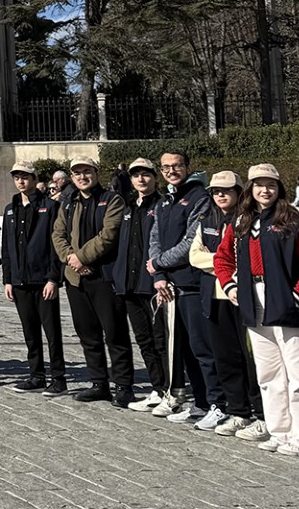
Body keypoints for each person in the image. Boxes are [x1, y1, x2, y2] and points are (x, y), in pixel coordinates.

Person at [215, 163, 299, 456]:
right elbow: (222, 258)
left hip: (287, 301)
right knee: (268, 374)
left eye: (271, 185)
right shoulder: (241, 222)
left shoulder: (295, 220)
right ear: (250, 189)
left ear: (280, 189)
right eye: (259, 184)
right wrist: (230, 286)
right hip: (253, 299)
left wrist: (298, 296)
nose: (265, 190)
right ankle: (280, 432)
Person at [52, 157, 134, 405]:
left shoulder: (112, 200)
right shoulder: (68, 202)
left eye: (86, 172)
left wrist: (82, 257)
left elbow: (109, 235)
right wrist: (70, 258)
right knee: (88, 334)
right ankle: (99, 382)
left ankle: (123, 385)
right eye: (77, 173)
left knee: (115, 333)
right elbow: (58, 233)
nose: (82, 177)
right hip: (76, 279)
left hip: (104, 276)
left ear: (96, 173)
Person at [148, 149, 216, 425]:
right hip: (170, 283)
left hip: (193, 282)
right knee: (185, 348)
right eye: (166, 168)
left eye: (177, 166)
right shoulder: (165, 201)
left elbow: (191, 241)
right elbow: (155, 236)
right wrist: (158, 272)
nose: (171, 171)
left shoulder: (199, 198)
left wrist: (159, 261)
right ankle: (199, 402)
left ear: (188, 167)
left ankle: (215, 402)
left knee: (202, 348)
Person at [198, 171, 267, 439]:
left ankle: (261, 413)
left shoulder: (246, 220)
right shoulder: (207, 218)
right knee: (225, 358)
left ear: (240, 192)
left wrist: (217, 259)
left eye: (226, 190)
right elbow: (196, 255)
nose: (220, 195)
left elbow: (244, 259)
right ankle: (239, 412)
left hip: (244, 297)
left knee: (251, 359)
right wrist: (219, 261)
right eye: (215, 191)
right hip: (215, 297)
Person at [1, 161, 65, 396]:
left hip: (43, 280)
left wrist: (53, 279)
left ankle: (58, 378)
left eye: (25, 177)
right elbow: (6, 248)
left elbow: (56, 245)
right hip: (19, 281)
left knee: (52, 332)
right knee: (30, 332)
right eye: (17, 177)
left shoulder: (49, 206)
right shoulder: (11, 208)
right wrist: (8, 279)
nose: (21, 181)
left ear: (34, 178)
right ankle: (36, 375)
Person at [114, 158, 170, 414]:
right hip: (130, 284)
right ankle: (157, 388)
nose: (141, 179)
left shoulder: (161, 205)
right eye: (136, 175)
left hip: (151, 284)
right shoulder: (127, 206)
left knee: (161, 339)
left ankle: (170, 388)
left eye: (145, 174)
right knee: (144, 340)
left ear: (154, 177)